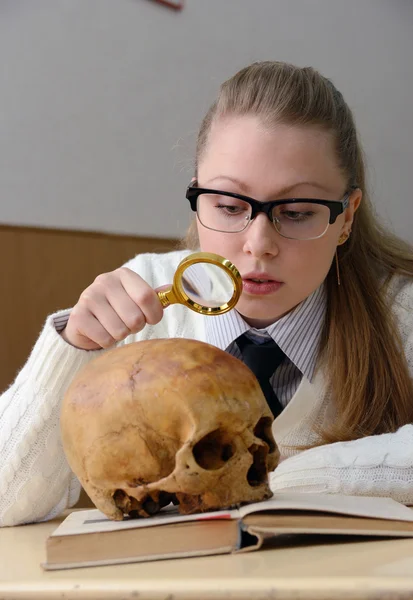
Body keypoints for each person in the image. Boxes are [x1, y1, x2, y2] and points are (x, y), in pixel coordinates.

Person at [1, 61, 413, 527]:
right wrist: (71, 349)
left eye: (297, 212)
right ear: (198, 202)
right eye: (230, 206)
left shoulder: (400, 313)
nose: (258, 244)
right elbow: (4, 500)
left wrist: (278, 479)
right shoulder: (143, 301)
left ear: (347, 217)